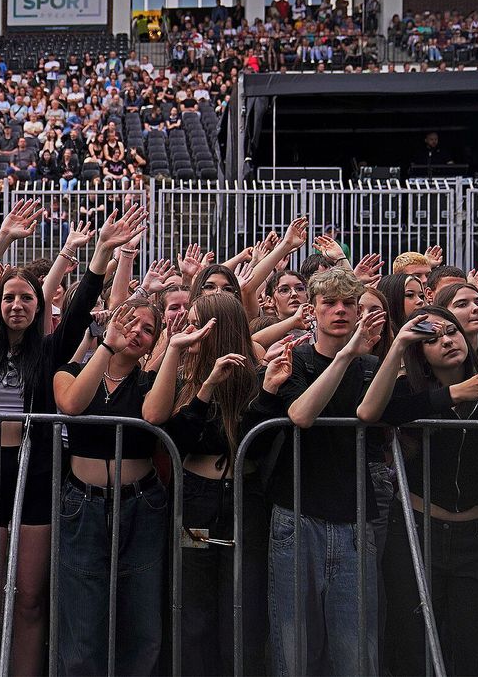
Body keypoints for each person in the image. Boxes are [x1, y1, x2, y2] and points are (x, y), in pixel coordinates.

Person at [0, 200, 147, 675]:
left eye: (26, 298)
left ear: (40, 307)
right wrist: (1, 241)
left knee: (30, 602)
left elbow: (81, 310)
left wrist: (101, 255)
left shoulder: (49, 351)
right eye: (8, 299)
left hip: (36, 477)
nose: (16, 305)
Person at [253, 267, 387, 675]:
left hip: (353, 515)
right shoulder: (295, 359)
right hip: (296, 513)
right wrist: (346, 354)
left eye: (350, 303)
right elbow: (301, 414)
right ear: (312, 311)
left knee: (355, 648)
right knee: (293, 645)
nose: (341, 311)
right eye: (330, 303)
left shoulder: (369, 367)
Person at [147, 293, 273, 675]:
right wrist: (204, 390)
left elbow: (258, 443)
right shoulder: (186, 376)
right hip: (197, 498)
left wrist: (265, 394)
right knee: (195, 607)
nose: (189, 329)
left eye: (198, 321)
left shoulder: (259, 375)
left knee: (243, 607)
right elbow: (175, 437)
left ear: (221, 328)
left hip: (245, 499)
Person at [51, 300, 178, 675]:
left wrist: (171, 348)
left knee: (141, 622)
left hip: (141, 506)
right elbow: (72, 404)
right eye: (129, 322)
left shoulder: (150, 381)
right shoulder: (70, 371)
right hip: (82, 505)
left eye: (148, 329)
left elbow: (154, 415)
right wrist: (106, 346)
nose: (136, 332)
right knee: (82, 621)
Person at [358, 306, 478, 676]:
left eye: (452, 332)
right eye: (432, 338)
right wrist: (399, 345)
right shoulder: (408, 390)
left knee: (472, 646)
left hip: (476, 537)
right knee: (411, 644)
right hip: (416, 531)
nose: (446, 341)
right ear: (419, 353)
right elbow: (370, 413)